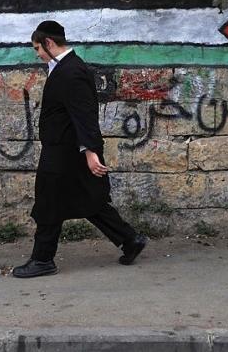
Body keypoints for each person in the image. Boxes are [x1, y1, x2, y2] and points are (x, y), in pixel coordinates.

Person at [13, 20, 147, 278]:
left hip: (64, 152)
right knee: (88, 199)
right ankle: (130, 240)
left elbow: (84, 114)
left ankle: (43, 260)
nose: (37, 54)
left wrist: (90, 152)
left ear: (48, 43)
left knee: (48, 203)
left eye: (37, 48)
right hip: (66, 150)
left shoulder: (71, 71)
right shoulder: (63, 68)